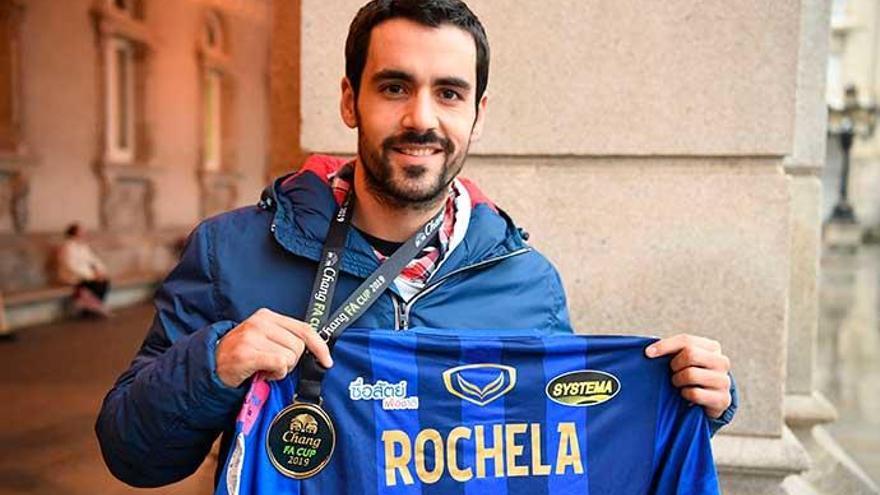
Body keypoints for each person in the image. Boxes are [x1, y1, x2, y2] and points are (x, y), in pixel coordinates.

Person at [96, 0, 737, 488]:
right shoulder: (229, 251)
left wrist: (677, 399)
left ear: (477, 115)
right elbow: (131, 453)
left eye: (449, 93)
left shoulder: (526, 280)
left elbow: (560, 450)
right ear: (351, 100)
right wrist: (215, 363)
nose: (422, 119)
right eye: (395, 87)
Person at [57, 223, 111, 317]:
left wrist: (100, 271)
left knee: (105, 281)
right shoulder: (67, 246)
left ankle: (92, 308)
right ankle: (91, 308)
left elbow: (94, 260)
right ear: (74, 233)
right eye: (81, 232)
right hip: (73, 276)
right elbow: (71, 266)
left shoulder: (83, 246)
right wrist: (92, 275)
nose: (84, 234)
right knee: (97, 284)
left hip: (87, 275)